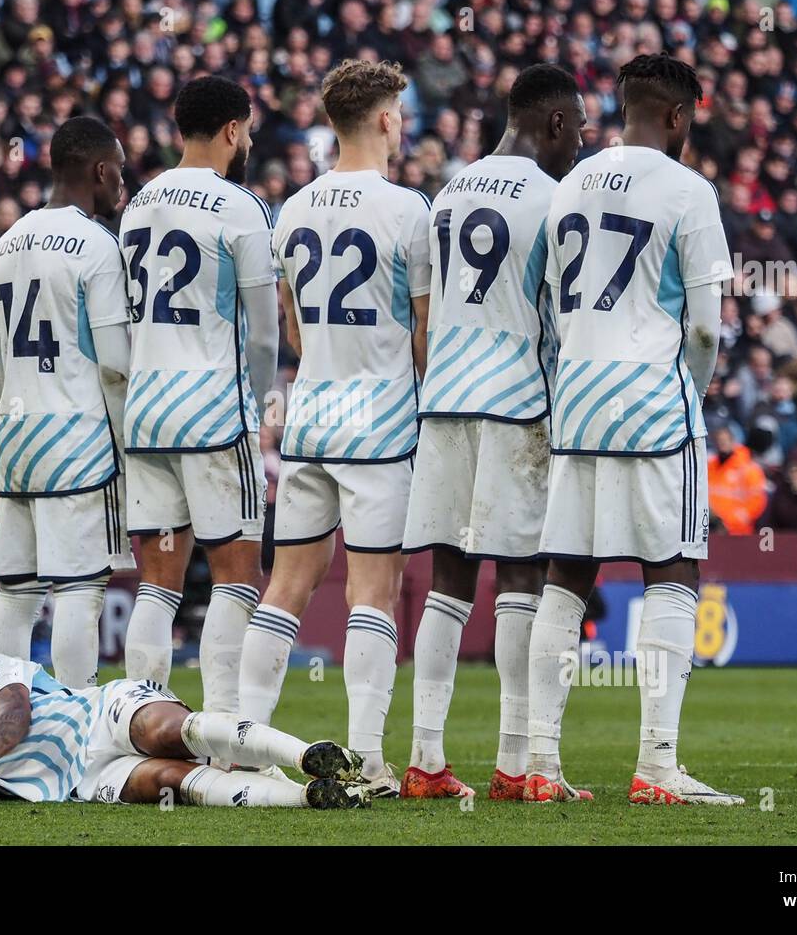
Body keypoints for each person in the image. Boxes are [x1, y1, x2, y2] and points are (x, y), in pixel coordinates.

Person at [532, 53, 743, 805]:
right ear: (680, 116)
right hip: (654, 401)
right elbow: (710, 331)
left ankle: (538, 762)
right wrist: (693, 393)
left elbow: (550, 308)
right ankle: (656, 764)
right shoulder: (689, 190)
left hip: (579, 398)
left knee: (566, 576)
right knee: (674, 571)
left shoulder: (571, 184)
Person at [236, 59, 431, 798]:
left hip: (313, 413)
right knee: (374, 592)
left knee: (285, 586)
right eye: (400, 113)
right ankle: (367, 759)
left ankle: (246, 742)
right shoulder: (408, 209)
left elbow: (288, 328)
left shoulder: (292, 208)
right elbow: (423, 331)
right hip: (380, 424)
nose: (403, 124)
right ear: (384, 118)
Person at [397, 64, 585, 801]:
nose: (580, 146)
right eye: (579, 129)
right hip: (515, 403)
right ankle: (515, 765)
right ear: (558, 123)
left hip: (444, 400)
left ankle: (425, 759)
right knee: (519, 580)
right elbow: (562, 317)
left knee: (446, 584)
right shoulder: (555, 197)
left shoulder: (449, 191)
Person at [119, 76, 279, 718]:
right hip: (213, 413)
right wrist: (256, 404)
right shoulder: (240, 207)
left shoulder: (138, 204)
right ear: (234, 129)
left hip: (146, 412)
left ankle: (138, 722)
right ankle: (225, 733)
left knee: (158, 586)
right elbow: (264, 336)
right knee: (236, 577)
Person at [0, 116, 134, 688]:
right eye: (118, 170)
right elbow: (116, 365)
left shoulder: (3, 244)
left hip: (17, 435)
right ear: (99, 170)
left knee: (16, 592)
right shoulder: (97, 245)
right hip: (80, 438)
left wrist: (6, 425)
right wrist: (126, 447)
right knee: (80, 589)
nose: (122, 184)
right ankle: (79, 723)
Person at [0, 653, 372, 809]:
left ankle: (308, 755)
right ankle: (310, 797)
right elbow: (0, 789)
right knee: (170, 781)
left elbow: (16, 709)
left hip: (101, 711)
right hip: (85, 780)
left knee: (163, 730)